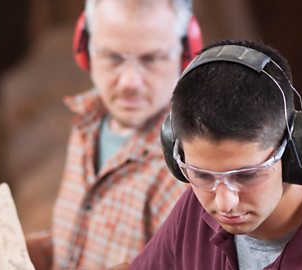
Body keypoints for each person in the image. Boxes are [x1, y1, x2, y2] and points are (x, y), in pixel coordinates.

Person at [120, 40, 302, 269]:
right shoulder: (196, 212)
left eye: (247, 175)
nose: (224, 203)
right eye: (201, 175)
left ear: (295, 152)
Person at [26, 0, 202, 269]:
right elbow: (84, 242)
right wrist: (34, 250)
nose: (129, 82)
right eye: (112, 57)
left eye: (151, 58)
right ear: (85, 50)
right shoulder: (88, 122)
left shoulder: (188, 169)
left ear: (186, 53)